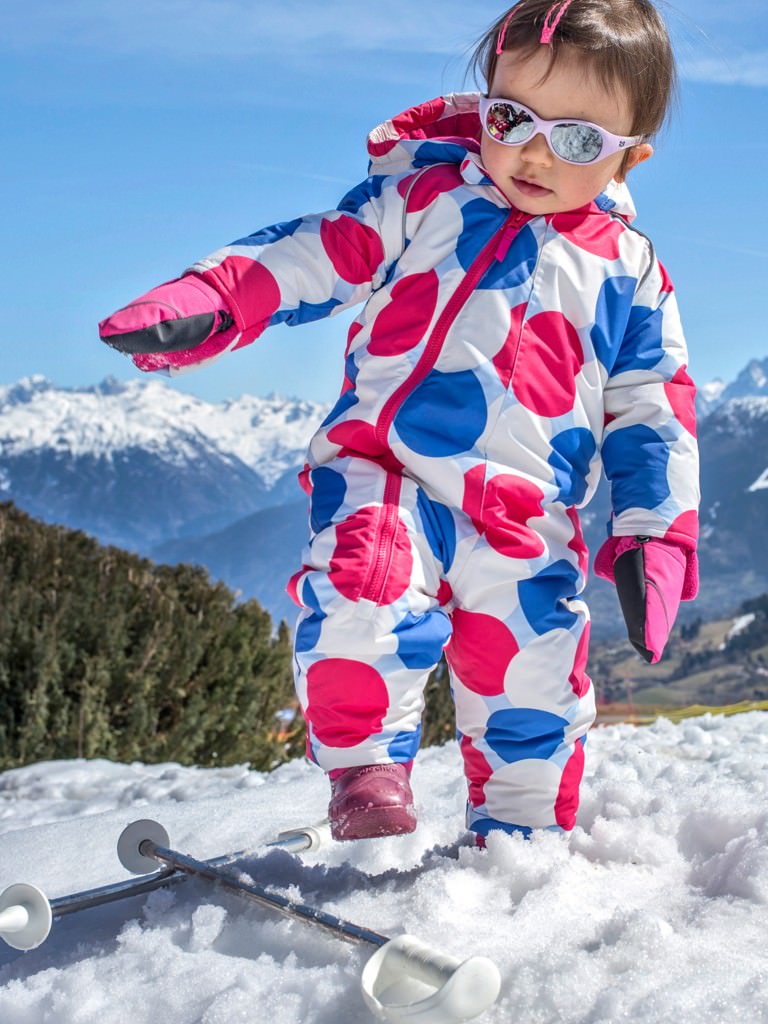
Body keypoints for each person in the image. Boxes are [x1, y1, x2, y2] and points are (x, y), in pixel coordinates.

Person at [99, 0, 700, 846]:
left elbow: (653, 406)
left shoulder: (631, 274)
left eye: (573, 141)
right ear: (484, 103)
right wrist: (217, 297)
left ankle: (521, 842)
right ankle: (368, 769)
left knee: (535, 676)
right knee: (363, 586)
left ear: (628, 157)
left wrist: (653, 534)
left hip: (527, 516)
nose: (531, 151)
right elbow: (314, 251)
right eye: (510, 117)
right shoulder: (426, 201)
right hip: (393, 471)